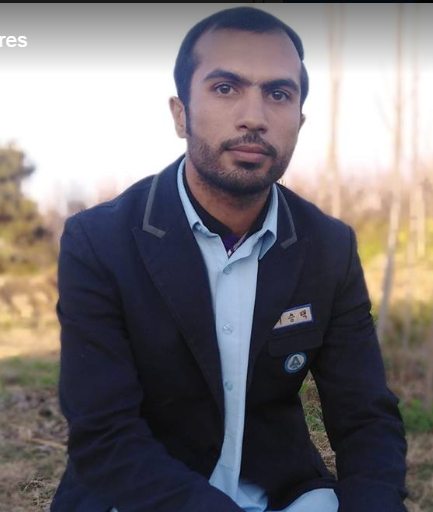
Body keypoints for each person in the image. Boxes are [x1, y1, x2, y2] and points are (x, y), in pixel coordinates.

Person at [51, 6, 408, 512]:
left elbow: (365, 417)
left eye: (278, 94)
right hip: (143, 496)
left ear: (299, 120)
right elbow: (105, 434)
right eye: (225, 88)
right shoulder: (100, 242)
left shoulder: (328, 247)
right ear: (181, 114)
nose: (254, 117)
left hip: (283, 493)